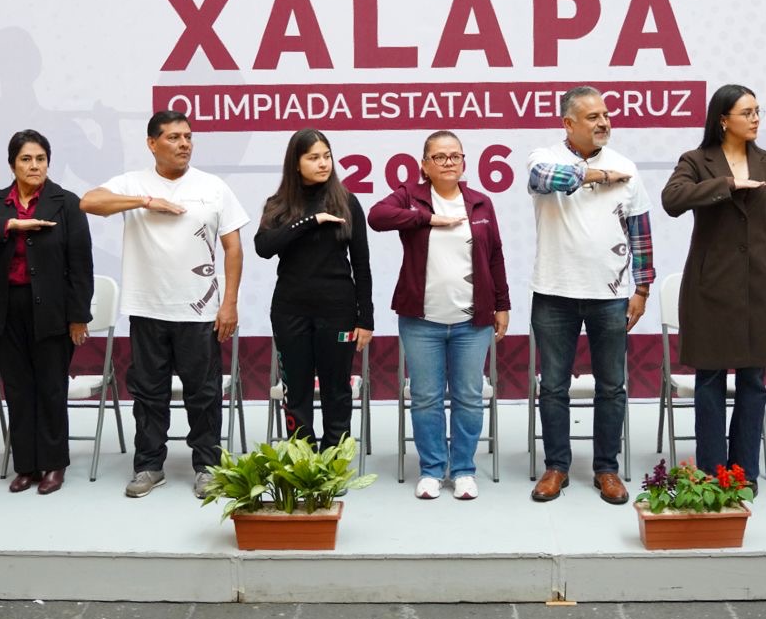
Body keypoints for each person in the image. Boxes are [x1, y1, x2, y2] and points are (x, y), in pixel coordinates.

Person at [80, 111, 248, 499]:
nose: (184, 144)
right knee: (148, 393)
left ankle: (207, 466)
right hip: (147, 308)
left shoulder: (213, 187)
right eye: (173, 137)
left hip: (200, 311)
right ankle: (149, 465)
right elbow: (89, 202)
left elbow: (233, 248)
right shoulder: (132, 182)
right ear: (152, 143)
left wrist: (229, 303)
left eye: (188, 136)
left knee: (203, 393)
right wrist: (145, 201)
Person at [661, 84, 766, 494]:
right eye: (747, 112)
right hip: (710, 287)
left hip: (758, 286)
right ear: (723, 119)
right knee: (710, 382)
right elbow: (672, 200)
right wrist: (728, 185)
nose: (755, 119)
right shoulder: (696, 160)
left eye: (758, 111)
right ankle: (713, 473)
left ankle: (744, 472)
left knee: (754, 383)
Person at [526, 87, 655, 505]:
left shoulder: (626, 167)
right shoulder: (543, 157)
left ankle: (606, 469)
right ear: (568, 123)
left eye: (606, 115)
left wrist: (642, 288)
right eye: (593, 117)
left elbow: (640, 233)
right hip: (554, 292)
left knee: (612, 386)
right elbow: (544, 180)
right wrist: (596, 176)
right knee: (553, 387)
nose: (603, 122)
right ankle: (556, 467)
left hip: (611, 294)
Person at [369, 131, 511, 500]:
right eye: (439, 156)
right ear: (424, 165)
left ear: (463, 161)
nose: (449, 162)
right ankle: (432, 469)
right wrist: (428, 219)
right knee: (426, 397)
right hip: (421, 321)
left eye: (455, 156)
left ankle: (463, 470)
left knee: (468, 397)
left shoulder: (480, 202)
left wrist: (502, 304)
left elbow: (495, 255)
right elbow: (377, 217)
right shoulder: (410, 197)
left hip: (472, 322)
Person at [0, 130, 94, 495]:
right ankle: (26, 465)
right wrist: (11, 225)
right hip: (6, 308)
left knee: (51, 388)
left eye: (40, 159)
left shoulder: (66, 202)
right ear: (12, 164)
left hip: (54, 310)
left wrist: (79, 316)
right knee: (18, 389)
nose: (34, 166)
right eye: (26, 159)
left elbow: (82, 264)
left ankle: (54, 464)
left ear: (48, 162)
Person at [254, 129, 373, 449]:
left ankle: (334, 458)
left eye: (327, 156)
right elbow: (264, 247)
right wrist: (310, 221)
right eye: (313, 157)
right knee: (297, 390)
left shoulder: (347, 202)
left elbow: (361, 264)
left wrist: (366, 318)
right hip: (290, 310)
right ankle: (302, 459)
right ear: (296, 163)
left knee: (337, 389)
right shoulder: (278, 204)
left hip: (338, 311)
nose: (323, 163)